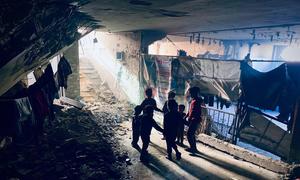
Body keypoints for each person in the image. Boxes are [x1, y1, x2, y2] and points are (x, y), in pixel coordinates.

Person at [185, 87, 203, 153]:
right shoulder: (194, 100)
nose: (190, 94)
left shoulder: (197, 101)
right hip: (193, 119)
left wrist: (190, 118)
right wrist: (187, 116)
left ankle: (193, 148)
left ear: (195, 93)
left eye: (191, 93)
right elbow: (190, 110)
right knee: (191, 134)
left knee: (189, 134)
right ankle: (193, 148)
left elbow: (195, 111)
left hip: (194, 119)